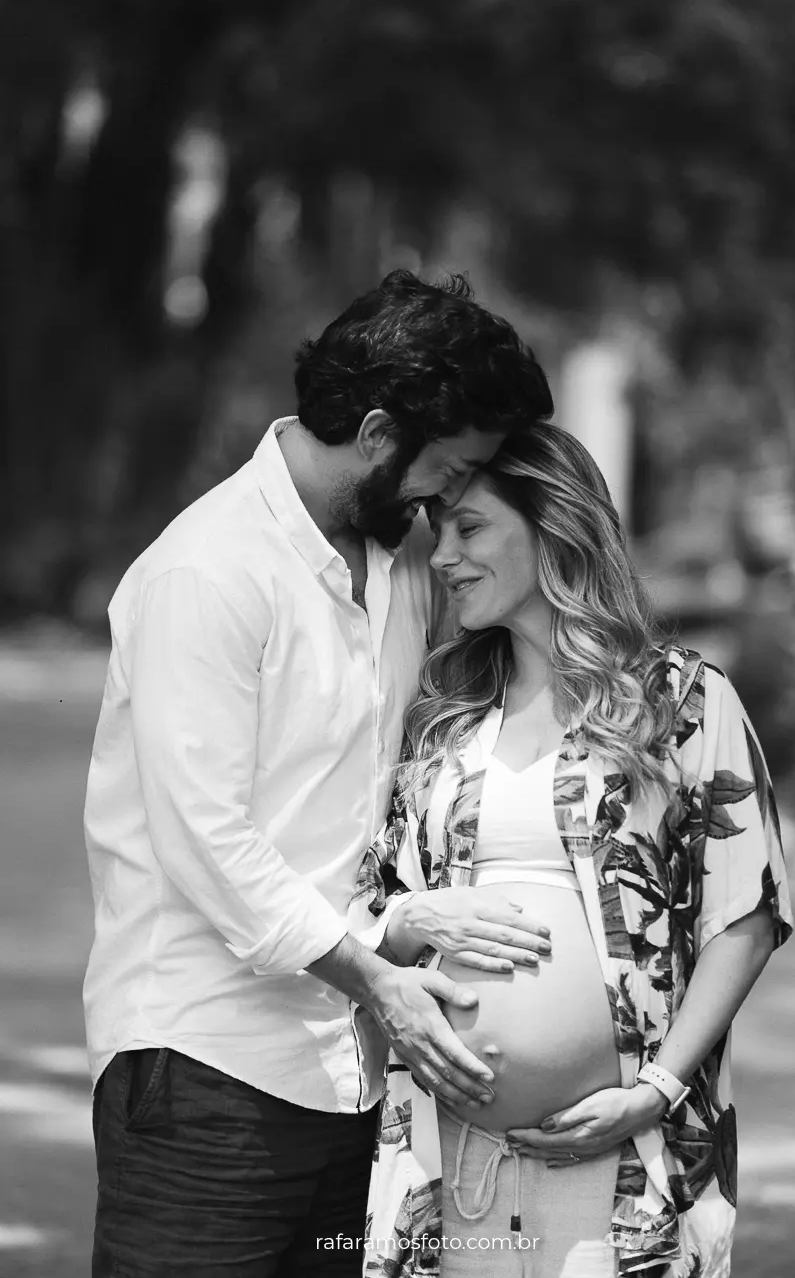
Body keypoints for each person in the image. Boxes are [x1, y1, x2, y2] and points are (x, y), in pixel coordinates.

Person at [82, 270, 556, 1277]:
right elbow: (211, 848)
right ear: (379, 435)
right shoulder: (204, 574)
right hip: (204, 1077)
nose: (449, 495)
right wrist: (380, 979)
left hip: (353, 1089)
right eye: (448, 466)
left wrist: (400, 926)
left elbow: (363, 812)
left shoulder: (396, 563)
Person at [350, 423, 793, 1277]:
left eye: (469, 528)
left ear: (552, 525)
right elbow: (379, 908)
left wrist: (654, 1090)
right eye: (438, 531)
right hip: (452, 1162)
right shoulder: (443, 714)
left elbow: (746, 909)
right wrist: (410, 920)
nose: (442, 556)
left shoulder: (682, 701)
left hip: (626, 1160)